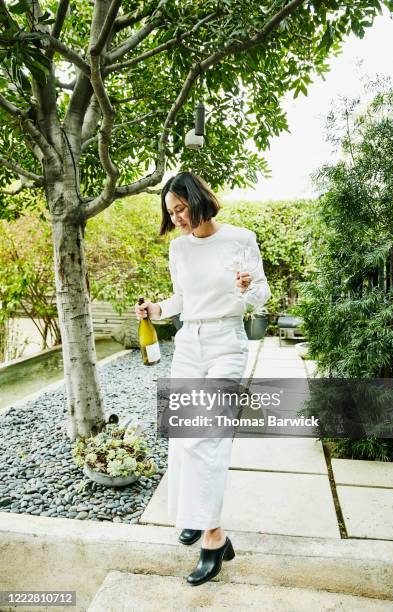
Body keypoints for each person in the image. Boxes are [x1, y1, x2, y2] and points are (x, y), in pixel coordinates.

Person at [135, 171, 270, 586]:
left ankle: (213, 537)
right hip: (189, 344)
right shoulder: (179, 249)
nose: (175, 217)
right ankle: (197, 517)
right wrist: (156, 310)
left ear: (198, 201)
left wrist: (246, 287)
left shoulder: (240, 238)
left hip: (227, 342)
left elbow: (261, 295)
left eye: (180, 208)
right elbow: (181, 300)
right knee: (185, 436)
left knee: (208, 437)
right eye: (170, 211)